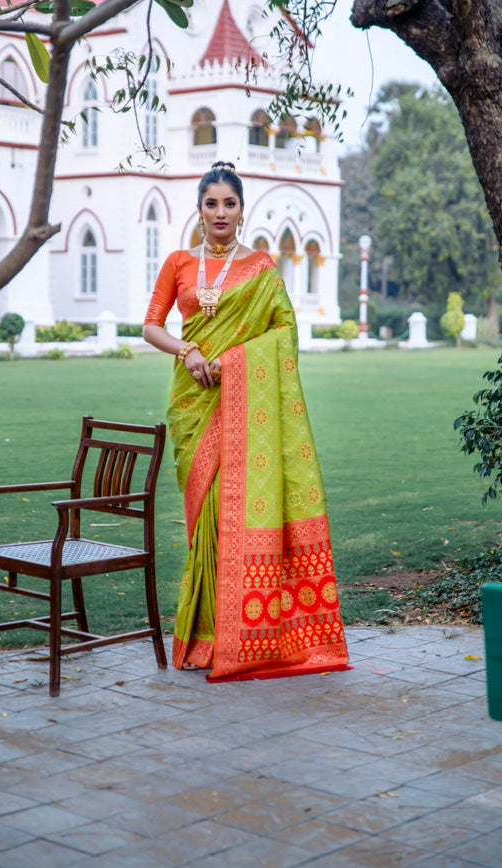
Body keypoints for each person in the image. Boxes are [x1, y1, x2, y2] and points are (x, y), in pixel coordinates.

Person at [143, 161, 349, 681]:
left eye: (228, 204)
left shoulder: (259, 267)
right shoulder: (178, 263)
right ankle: (203, 638)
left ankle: (232, 639)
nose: (219, 212)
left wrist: (234, 364)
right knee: (202, 526)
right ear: (199, 208)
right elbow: (150, 326)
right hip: (193, 405)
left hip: (239, 403)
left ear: (241, 210)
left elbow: (285, 331)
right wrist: (188, 351)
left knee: (229, 514)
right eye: (210, 203)